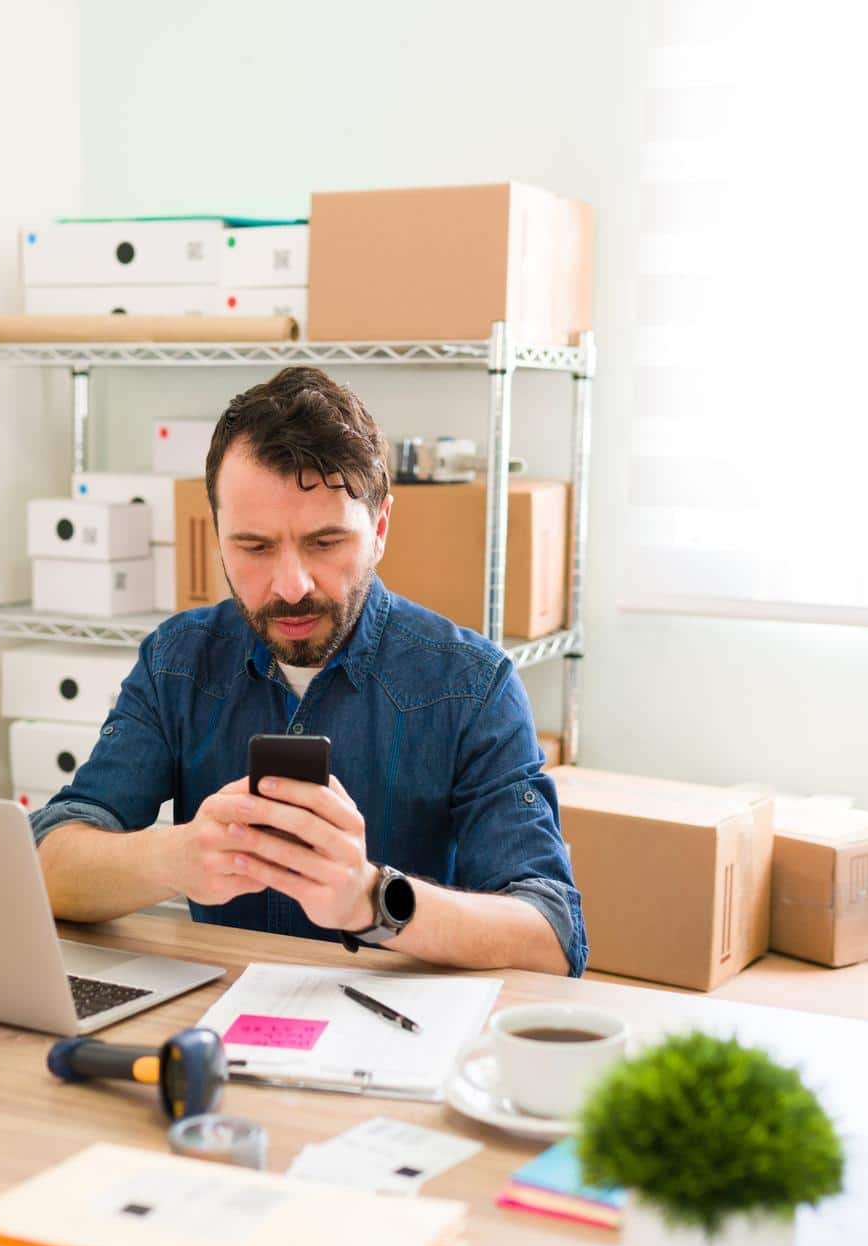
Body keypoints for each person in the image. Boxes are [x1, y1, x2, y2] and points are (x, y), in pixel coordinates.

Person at [30, 367, 585, 976]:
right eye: (255, 547)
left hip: (396, 1036)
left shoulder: (473, 686)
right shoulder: (177, 662)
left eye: (324, 543)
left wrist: (372, 899)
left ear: (378, 529)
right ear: (217, 535)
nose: (290, 587)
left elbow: (552, 937)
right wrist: (176, 857)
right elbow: (48, 859)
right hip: (218, 1024)